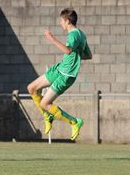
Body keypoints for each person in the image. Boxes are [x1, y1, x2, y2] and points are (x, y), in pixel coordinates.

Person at [27, 8, 92, 141]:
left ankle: (74, 122)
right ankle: (48, 115)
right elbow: (88, 55)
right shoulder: (82, 34)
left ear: (67, 21)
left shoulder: (73, 35)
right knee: (31, 88)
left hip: (66, 75)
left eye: (61, 21)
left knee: (45, 103)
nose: (60, 23)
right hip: (59, 69)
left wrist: (52, 39)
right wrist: (77, 57)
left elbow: (68, 51)